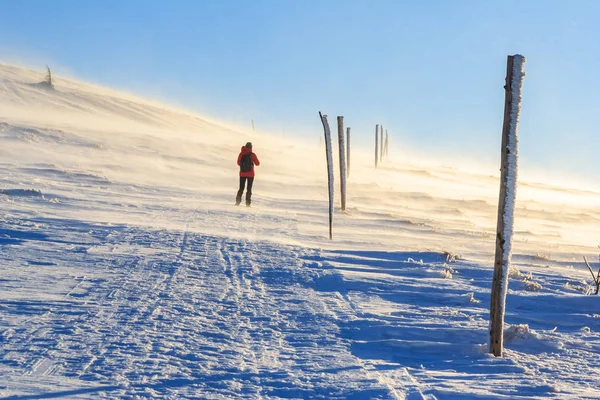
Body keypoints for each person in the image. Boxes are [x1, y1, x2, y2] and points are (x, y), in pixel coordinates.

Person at [236, 142, 260, 206]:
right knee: (249, 189)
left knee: (241, 188)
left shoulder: (241, 154)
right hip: (250, 174)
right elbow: (257, 163)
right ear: (251, 147)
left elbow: (238, 163)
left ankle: (237, 202)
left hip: (242, 174)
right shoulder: (252, 155)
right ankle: (248, 203)